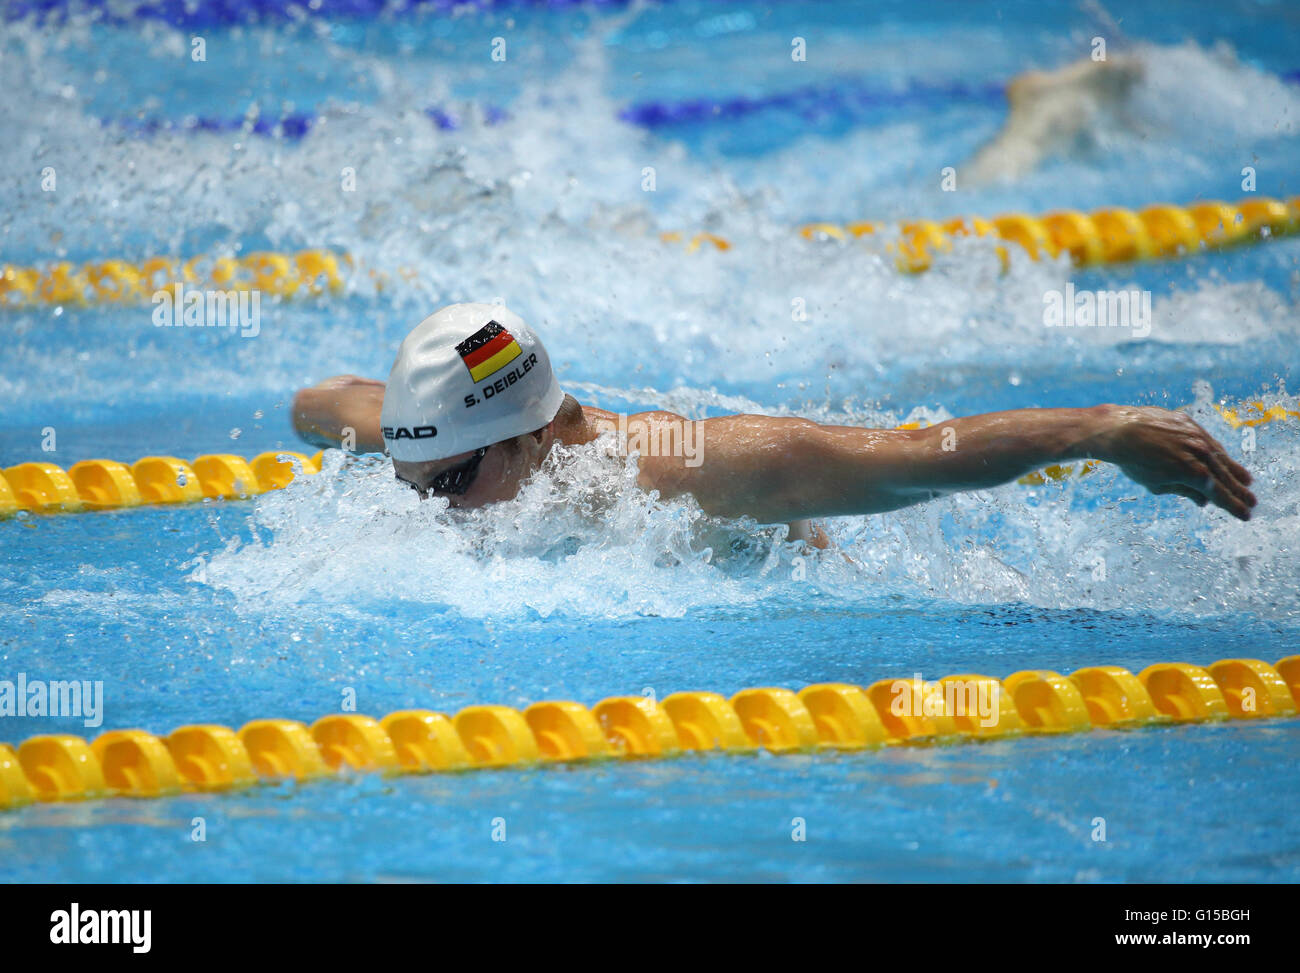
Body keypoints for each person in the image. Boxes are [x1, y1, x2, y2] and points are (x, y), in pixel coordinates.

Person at [291, 304, 1256, 540]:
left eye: (455, 485)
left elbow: (915, 458)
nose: (435, 512)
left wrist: (1102, 430)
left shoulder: (680, 470)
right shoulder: (438, 441)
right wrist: (334, 421)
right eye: (415, 485)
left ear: (533, 435)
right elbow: (328, 402)